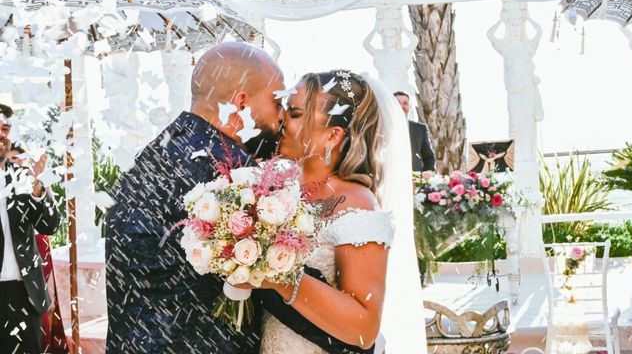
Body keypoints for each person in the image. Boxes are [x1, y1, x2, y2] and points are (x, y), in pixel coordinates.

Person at [105, 43, 372, 353]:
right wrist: (355, 337)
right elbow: (271, 276)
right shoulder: (228, 176)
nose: (282, 116)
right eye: (276, 102)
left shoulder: (153, 156)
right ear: (240, 103)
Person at [251, 70, 426, 354]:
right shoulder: (275, 191)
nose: (281, 118)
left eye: (295, 113)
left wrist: (271, 273)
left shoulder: (355, 205)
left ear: (333, 135)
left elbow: (363, 329)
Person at [0, 110, 61, 354]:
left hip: (23, 294)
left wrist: (38, 186)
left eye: (5, 129)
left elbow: (50, 225)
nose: (1, 134)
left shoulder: (23, 179)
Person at [393, 91, 435, 172]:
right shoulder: (382, 127)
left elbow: (429, 158)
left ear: (409, 106)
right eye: (398, 103)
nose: (402, 106)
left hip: (414, 180)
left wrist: (426, 176)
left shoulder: (420, 129)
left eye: (405, 103)